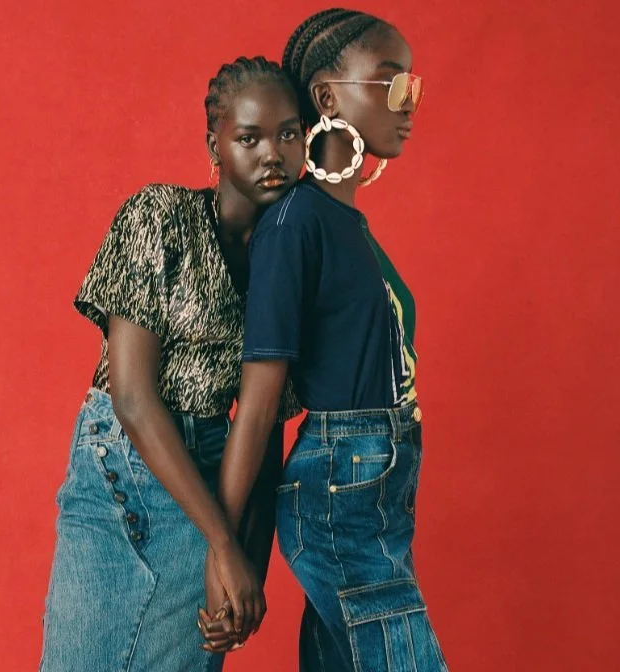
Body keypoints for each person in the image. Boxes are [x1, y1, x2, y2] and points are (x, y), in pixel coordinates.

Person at [201, 9, 450, 671]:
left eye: (414, 87)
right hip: (341, 485)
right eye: (392, 83)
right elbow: (259, 404)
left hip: (373, 485)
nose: (409, 103)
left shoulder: (343, 221)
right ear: (327, 98)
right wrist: (223, 553)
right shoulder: (295, 224)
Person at [39, 56, 305, 672]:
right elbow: (131, 396)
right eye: (249, 138)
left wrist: (247, 563)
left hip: (218, 483)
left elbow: (265, 425)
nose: (272, 153)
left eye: (288, 134)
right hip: (125, 474)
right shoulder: (160, 216)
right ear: (215, 145)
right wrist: (223, 545)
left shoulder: (286, 261)